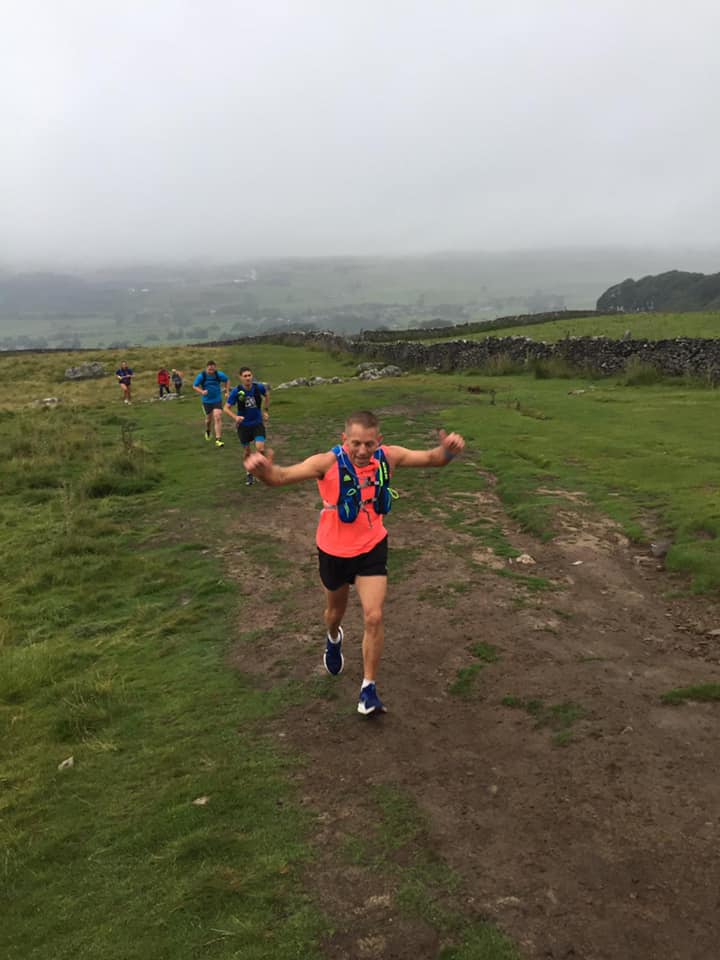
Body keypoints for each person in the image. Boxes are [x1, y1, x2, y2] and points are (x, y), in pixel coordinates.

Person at [245, 410, 465, 716]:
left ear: (379, 441)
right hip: (333, 552)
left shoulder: (387, 457)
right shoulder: (327, 463)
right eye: (356, 444)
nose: (363, 451)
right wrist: (262, 470)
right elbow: (280, 477)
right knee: (334, 613)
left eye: (369, 444)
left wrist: (448, 451)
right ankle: (333, 638)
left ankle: (368, 690)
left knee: (374, 616)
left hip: (372, 548)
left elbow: (431, 458)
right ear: (344, 439)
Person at [223, 366, 270, 486]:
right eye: (245, 376)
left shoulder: (258, 387)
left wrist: (265, 411)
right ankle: (249, 472)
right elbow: (226, 408)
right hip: (243, 426)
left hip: (257, 423)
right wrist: (235, 417)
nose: (248, 378)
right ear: (240, 378)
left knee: (260, 448)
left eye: (249, 375)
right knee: (247, 451)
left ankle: (261, 471)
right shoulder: (237, 391)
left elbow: (267, 395)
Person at [192, 361, 229, 447]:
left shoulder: (219, 375)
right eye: (209, 369)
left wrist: (227, 391)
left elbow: (227, 380)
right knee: (208, 420)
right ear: (206, 368)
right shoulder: (202, 376)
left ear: (215, 368)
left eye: (213, 369)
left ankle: (218, 439)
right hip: (207, 401)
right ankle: (208, 430)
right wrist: (202, 391)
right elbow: (194, 386)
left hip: (217, 399)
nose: (211, 370)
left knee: (217, 416)